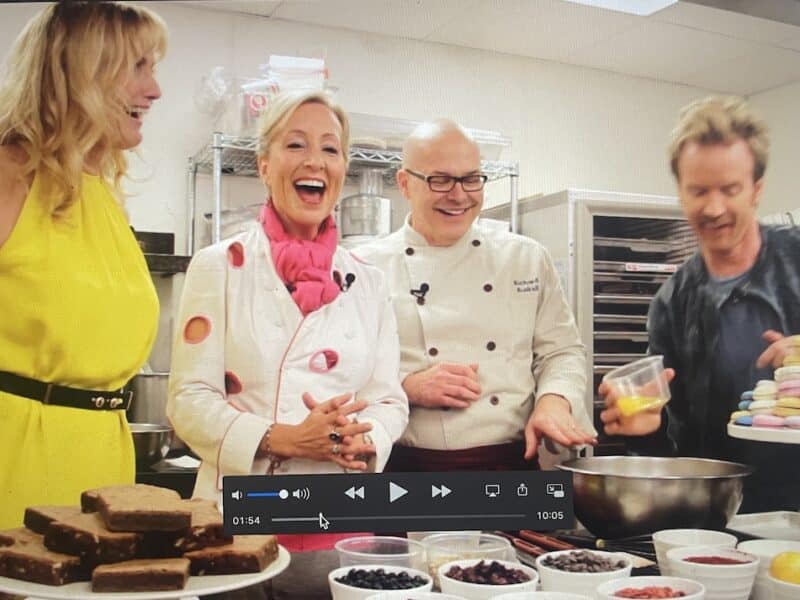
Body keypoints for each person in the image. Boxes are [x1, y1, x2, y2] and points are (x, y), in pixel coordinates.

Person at [167, 90, 409, 542]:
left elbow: (389, 401)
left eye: (330, 149)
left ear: (342, 170)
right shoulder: (218, 266)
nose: (314, 162)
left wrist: (366, 436)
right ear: (263, 166)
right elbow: (188, 399)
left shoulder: (369, 281)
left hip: (340, 512)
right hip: (237, 513)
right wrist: (283, 438)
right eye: (296, 145)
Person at [0, 1, 166, 528]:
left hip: (104, 461)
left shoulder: (101, 194)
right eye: (137, 66)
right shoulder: (8, 177)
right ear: (79, 72)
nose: (155, 90)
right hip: (17, 463)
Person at [356, 119, 596, 472]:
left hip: (511, 464)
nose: (459, 195)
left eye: (471, 179)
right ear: (405, 184)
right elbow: (341, 375)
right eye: (440, 180)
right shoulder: (364, 267)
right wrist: (407, 386)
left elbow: (562, 351)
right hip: (406, 468)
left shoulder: (526, 258)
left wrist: (554, 400)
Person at [600, 96, 800, 512]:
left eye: (730, 189)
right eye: (699, 191)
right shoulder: (672, 303)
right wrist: (643, 431)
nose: (714, 208)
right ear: (680, 192)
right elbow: (669, 452)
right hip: (716, 518)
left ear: (756, 190)